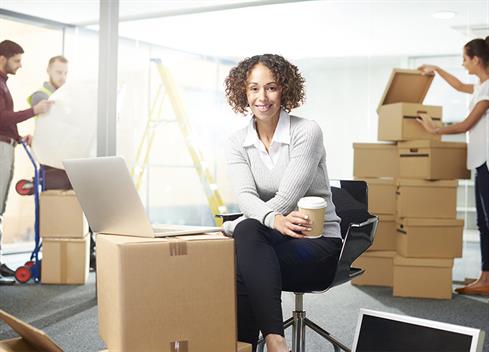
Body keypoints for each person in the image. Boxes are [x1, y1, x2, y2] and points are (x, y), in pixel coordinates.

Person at [223, 54, 343, 352]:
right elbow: (245, 196)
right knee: (248, 240)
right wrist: (270, 220)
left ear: (285, 90)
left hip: (316, 243)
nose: (261, 97)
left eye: (271, 87)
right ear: (243, 92)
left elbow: (288, 198)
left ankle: (246, 345)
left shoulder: (307, 131)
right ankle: (276, 342)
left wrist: (239, 223)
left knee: (243, 246)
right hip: (269, 242)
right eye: (253, 88)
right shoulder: (237, 141)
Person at [417, 36, 489, 296]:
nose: (463, 63)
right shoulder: (481, 86)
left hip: (487, 162)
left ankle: (486, 277)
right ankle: (485, 277)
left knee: (488, 221)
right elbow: (459, 85)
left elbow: (467, 123)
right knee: (483, 222)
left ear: (476, 59)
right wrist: (436, 69)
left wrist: (437, 130)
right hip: (480, 162)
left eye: (465, 58)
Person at [0, 40, 52, 284]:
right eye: (17, 60)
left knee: (1, 206)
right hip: (0, 148)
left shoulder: (3, 85)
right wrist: (34, 110)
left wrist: (18, 136)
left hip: (7, 145)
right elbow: (1, 117)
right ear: (3, 58)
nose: (20, 66)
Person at [28, 55, 72, 190]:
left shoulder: (65, 96)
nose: (62, 77)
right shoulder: (40, 95)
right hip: (50, 157)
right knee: (54, 197)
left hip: (63, 154)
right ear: (48, 71)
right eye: (59, 72)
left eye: (65, 73)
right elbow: (61, 119)